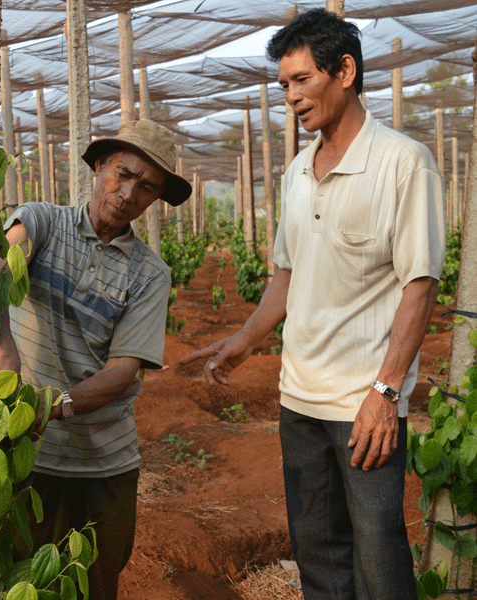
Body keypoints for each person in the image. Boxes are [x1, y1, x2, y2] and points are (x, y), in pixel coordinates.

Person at [181, 9, 445, 600]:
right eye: (284, 85)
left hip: (363, 406)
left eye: (302, 80)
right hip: (298, 400)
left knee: (378, 555)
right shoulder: (298, 171)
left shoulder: (404, 162)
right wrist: (243, 342)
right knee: (317, 553)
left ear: (344, 71)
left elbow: (420, 285)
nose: (291, 97)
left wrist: (385, 393)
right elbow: (287, 274)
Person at [0, 119, 192, 600]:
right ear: (100, 167)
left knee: (93, 585)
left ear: (156, 198)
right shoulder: (41, 222)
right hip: (26, 457)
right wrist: (5, 351)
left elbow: (121, 373)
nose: (129, 193)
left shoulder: (150, 274)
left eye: (147, 187)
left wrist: (51, 407)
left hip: (103, 465)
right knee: (17, 582)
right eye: (123, 174)